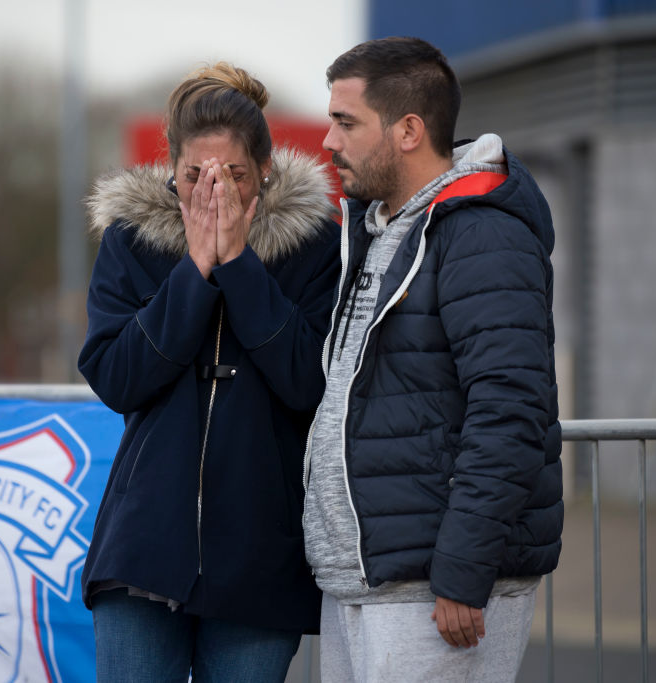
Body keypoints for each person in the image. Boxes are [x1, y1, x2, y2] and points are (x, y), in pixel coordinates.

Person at [302, 36, 564, 682]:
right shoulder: (376, 230)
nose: (329, 142)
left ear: (409, 130)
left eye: (346, 123)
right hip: (366, 579)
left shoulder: (482, 234)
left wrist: (462, 569)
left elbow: (509, 407)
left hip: (434, 590)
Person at [78, 62, 340, 682]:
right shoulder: (131, 242)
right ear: (171, 168)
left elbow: (309, 381)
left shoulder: (316, 248)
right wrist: (194, 270)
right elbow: (117, 378)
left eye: (234, 176)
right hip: (142, 551)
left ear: (266, 169)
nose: (212, 192)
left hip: (259, 560)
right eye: (194, 175)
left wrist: (241, 266)